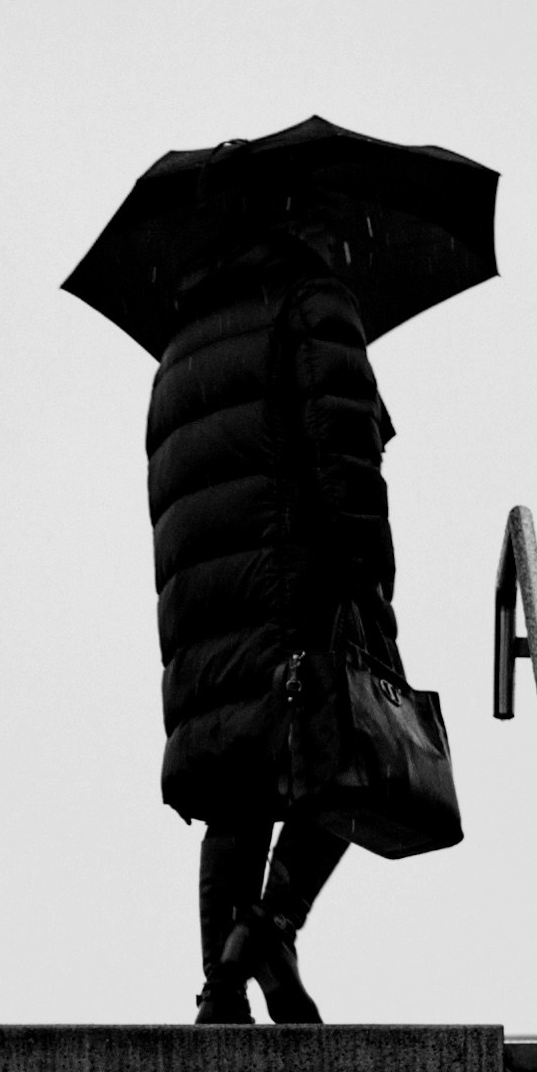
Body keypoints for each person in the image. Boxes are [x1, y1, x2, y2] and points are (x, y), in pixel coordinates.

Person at [144, 199, 398, 1026]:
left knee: (235, 800)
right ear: (311, 227)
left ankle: (221, 991)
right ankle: (269, 926)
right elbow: (343, 455)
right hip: (302, 595)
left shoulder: (180, 346)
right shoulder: (313, 303)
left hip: (207, 615)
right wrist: (370, 586)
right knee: (349, 760)